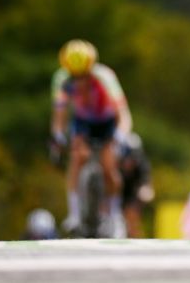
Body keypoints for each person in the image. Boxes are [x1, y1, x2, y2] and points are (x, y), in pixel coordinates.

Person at [50, 39, 132, 236]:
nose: (80, 82)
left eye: (84, 77)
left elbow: (123, 113)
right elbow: (59, 114)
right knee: (77, 158)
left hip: (107, 121)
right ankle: (75, 214)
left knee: (109, 167)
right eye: (75, 77)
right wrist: (58, 136)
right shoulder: (62, 80)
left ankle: (114, 215)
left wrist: (121, 134)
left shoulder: (104, 77)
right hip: (83, 121)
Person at [118, 133, 154, 238]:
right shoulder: (115, 164)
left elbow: (147, 187)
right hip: (116, 196)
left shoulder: (143, 165)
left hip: (132, 196)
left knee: (132, 213)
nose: (130, 162)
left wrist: (145, 192)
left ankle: (133, 234)